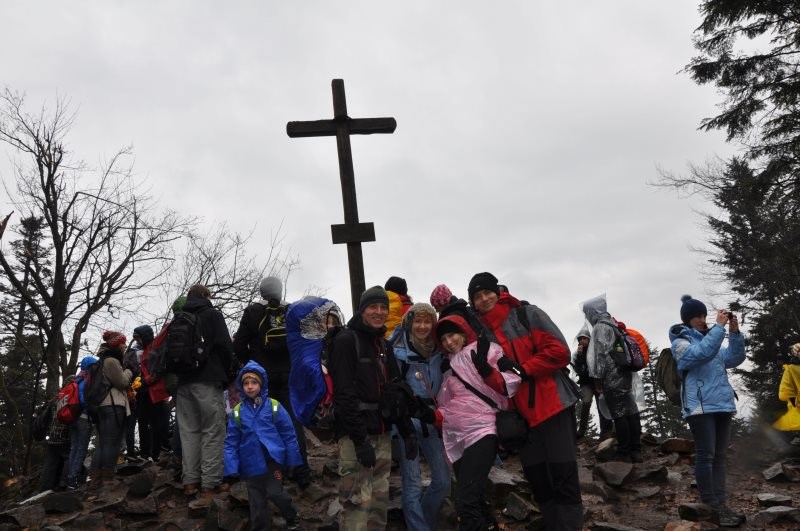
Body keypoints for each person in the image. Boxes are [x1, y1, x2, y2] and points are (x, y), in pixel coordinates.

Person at [468, 272, 583, 529]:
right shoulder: (481, 336)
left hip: (553, 405)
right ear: (473, 302)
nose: (484, 299)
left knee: (563, 477)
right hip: (522, 419)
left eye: (487, 292)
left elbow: (560, 352)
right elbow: (499, 384)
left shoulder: (527, 315)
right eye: (477, 296)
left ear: (498, 293)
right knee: (538, 480)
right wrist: (489, 375)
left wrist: (523, 369)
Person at [329, 285, 416, 530]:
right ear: (362, 310)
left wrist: (407, 432)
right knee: (357, 504)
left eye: (383, 308)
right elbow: (343, 394)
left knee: (378, 506)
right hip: (356, 436)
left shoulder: (384, 345)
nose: (378, 312)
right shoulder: (346, 341)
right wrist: (359, 441)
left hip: (383, 434)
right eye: (372, 307)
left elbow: (397, 393)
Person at [435, 315, 521, 531]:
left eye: (452, 335)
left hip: (484, 432)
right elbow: (447, 407)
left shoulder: (485, 351)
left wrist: (487, 371)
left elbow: (510, 381)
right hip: (459, 437)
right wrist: (430, 415)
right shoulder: (448, 369)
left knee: (466, 500)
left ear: (463, 334)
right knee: (476, 496)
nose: (448, 342)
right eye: (443, 338)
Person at [669, 295, 746, 527]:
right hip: (700, 407)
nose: (703, 320)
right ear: (687, 320)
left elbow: (734, 357)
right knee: (706, 455)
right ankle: (710, 504)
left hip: (722, 404)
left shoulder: (711, 340)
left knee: (720, 456)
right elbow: (699, 354)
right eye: (698, 316)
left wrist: (734, 333)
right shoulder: (680, 343)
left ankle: (720, 503)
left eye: (704, 315)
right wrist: (719, 328)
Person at [233, 276, 310, 488]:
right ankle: (301, 471)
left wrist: (252, 360)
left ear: (262, 291)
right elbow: (303, 342)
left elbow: (238, 344)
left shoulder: (253, 311)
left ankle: (270, 471)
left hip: (261, 375)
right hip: (289, 373)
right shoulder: (292, 310)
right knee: (293, 422)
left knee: (263, 421)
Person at [389, 302, 450, 531]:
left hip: (432, 420)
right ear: (409, 322)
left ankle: (421, 522)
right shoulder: (397, 352)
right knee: (412, 483)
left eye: (428, 321)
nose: (423, 326)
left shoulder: (438, 350)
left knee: (443, 482)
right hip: (407, 423)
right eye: (418, 321)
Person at [224, 361, 302, 530]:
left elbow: (289, 434)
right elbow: (231, 442)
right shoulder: (237, 412)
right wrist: (231, 466)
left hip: (273, 461)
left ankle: (291, 515)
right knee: (256, 501)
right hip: (250, 463)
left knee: (275, 492)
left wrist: (292, 459)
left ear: (262, 384)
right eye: (246, 383)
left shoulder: (274, 406)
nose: (250, 387)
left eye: (254, 382)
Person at [177, 284, 234, 496]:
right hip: (208, 379)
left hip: (183, 383)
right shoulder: (212, 315)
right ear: (205, 296)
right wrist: (229, 372)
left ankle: (190, 483)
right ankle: (210, 484)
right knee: (213, 430)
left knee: (189, 432)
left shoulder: (179, 318)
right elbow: (225, 346)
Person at [582, 295, 642, 462]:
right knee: (631, 411)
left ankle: (624, 452)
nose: (587, 317)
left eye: (587, 313)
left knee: (619, 414)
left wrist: (598, 380)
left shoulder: (600, 327)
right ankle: (636, 450)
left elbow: (600, 355)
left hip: (612, 376)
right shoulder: (613, 323)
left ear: (594, 311)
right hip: (624, 373)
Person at [91, 330, 132, 490]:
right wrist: (128, 372)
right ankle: (108, 479)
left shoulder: (101, 361)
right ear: (115, 344)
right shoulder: (111, 361)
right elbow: (121, 382)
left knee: (103, 443)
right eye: (122, 343)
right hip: (113, 405)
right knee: (111, 442)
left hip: (102, 405)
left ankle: (95, 479)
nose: (125, 346)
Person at [135, 325, 170, 463]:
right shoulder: (146, 351)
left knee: (156, 423)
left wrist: (149, 379)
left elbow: (160, 366)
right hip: (146, 391)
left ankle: (154, 453)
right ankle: (146, 452)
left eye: (139, 339)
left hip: (155, 391)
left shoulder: (155, 347)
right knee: (143, 422)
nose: (138, 342)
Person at [572, 327, 613, 439]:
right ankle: (581, 431)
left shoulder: (595, 350)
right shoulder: (577, 354)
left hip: (598, 382)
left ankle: (605, 431)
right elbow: (578, 369)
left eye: (584, 338)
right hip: (586, 383)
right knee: (585, 404)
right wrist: (580, 356)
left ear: (589, 339)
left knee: (602, 405)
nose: (582, 341)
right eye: (580, 339)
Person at [65, 356, 98, 490]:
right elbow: (84, 400)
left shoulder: (76, 380)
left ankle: (69, 478)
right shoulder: (86, 381)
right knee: (80, 449)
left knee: (74, 448)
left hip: (73, 419)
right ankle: (73, 479)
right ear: (90, 366)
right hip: (84, 418)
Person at [39, 395, 71, 492]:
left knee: (50, 461)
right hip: (63, 434)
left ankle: (45, 486)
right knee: (69, 457)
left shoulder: (54, 400)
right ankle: (64, 483)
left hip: (51, 434)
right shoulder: (70, 398)